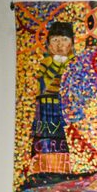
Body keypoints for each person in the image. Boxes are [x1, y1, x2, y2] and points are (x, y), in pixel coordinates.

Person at [26, 21, 75, 181]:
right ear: (48, 44)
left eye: (65, 39)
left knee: (62, 138)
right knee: (45, 137)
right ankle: (42, 169)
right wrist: (55, 65)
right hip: (45, 107)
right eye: (55, 40)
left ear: (72, 43)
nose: (60, 44)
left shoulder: (73, 63)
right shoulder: (45, 63)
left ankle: (62, 170)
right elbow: (41, 86)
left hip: (63, 108)